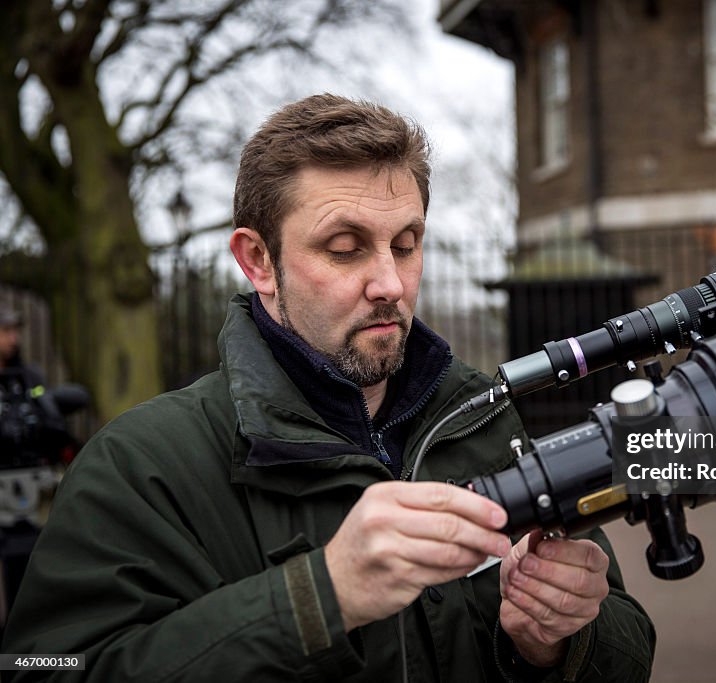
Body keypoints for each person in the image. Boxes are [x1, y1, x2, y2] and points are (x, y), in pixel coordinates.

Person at [3, 95, 655, 681]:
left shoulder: (482, 420)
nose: (390, 283)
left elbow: (628, 650)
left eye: (406, 244)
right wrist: (318, 598)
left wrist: (557, 642)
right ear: (257, 260)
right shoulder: (137, 464)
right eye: (345, 247)